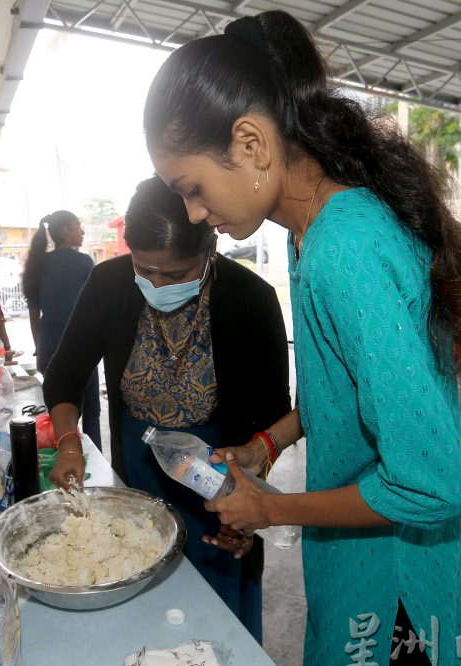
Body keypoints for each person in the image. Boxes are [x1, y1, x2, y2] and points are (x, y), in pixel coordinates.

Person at [143, 11, 461, 666]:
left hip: (399, 598)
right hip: (359, 567)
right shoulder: (307, 231)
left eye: (191, 188)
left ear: (251, 142)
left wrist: (270, 508)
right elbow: (341, 395)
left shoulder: (344, 249)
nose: (194, 214)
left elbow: (431, 481)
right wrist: (268, 445)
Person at [43, 176, 290, 641]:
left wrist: (251, 499)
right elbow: (65, 374)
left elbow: (272, 418)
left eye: (175, 275)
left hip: (217, 474)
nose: (155, 284)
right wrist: (69, 443)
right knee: (139, 599)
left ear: (210, 245)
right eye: (144, 269)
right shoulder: (110, 283)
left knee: (210, 623)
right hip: (139, 470)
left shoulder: (250, 300)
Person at [22, 211, 101, 450]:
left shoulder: (39, 263)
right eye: (78, 227)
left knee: (60, 408)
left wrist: (39, 349)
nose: (82, 232)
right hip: (81, 343)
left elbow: (34, 313)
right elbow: (95, 309)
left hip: (48, 343)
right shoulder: (84, 262)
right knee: (90, 411)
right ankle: (93, 461)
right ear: (66, 230)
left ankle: (64, 457)